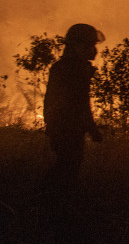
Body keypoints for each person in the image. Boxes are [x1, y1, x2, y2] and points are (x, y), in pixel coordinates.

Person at [43, 23, 105, 188]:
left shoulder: (63, 67)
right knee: (67, 169)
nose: (94, 50)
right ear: (78, 45)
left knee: (66, 168)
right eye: (90, 45)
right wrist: (92, 130)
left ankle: (46, 200)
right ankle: (46, 201)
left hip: (63, 129)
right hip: (68, 130)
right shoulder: (73, 70)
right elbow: (80, 103)